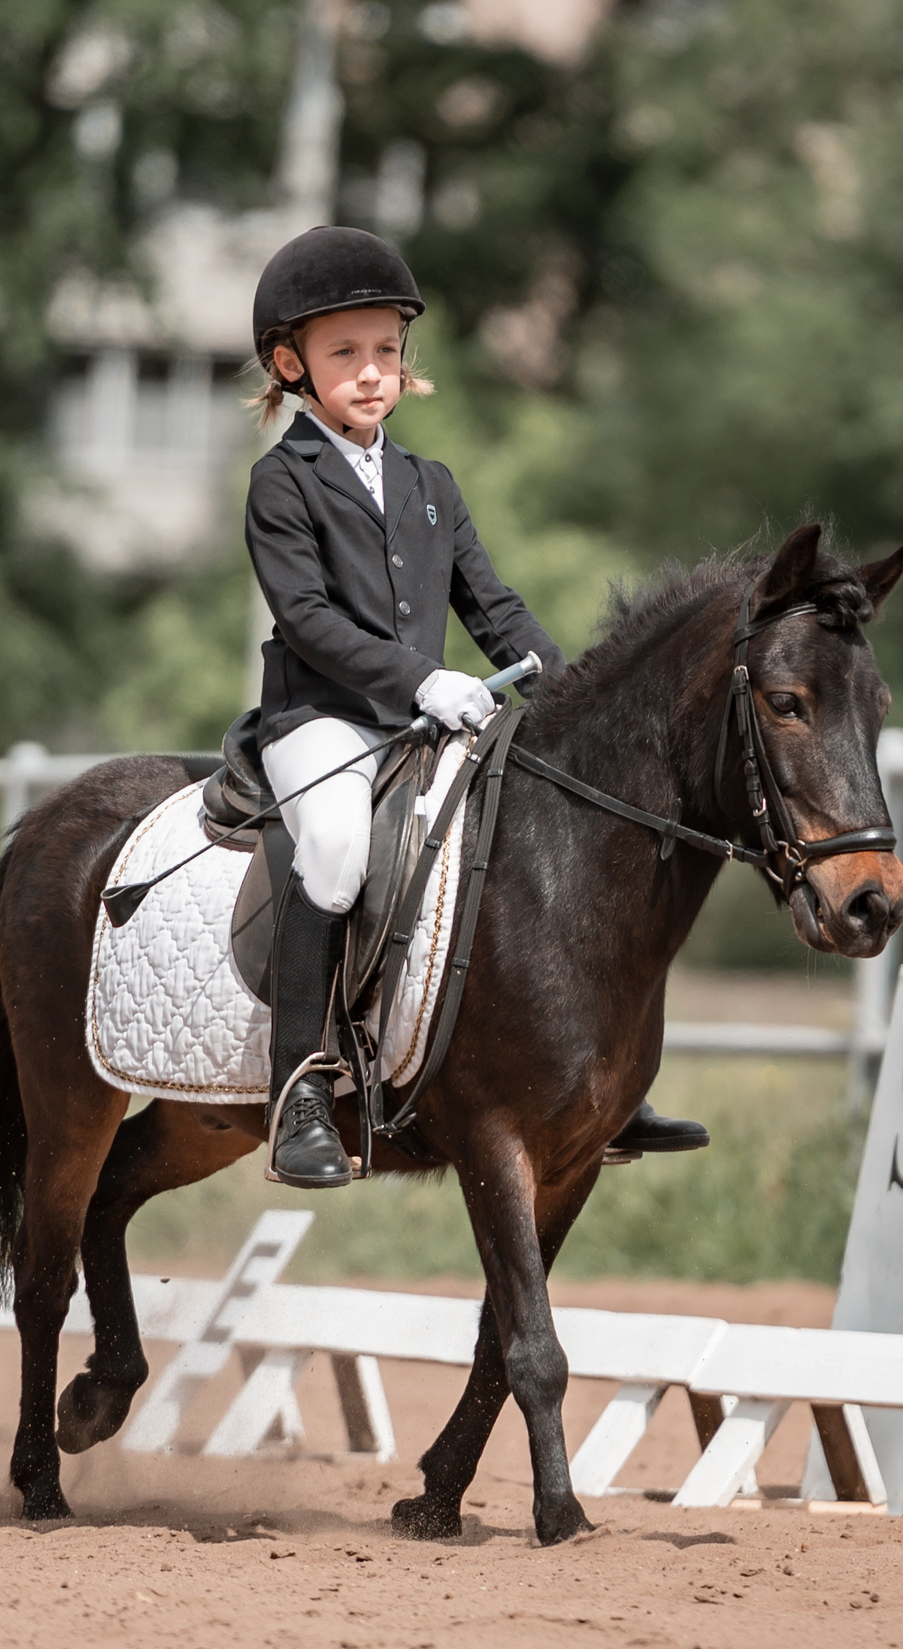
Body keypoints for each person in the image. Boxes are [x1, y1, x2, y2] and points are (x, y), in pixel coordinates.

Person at [241, 226, 709, 1187]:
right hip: (322, 720)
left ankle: (602, 1078)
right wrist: (419, 680)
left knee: (538, 832)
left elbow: (493, 608)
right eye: (344, 353)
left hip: (425, 722)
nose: (372, 372)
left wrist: (576, 697)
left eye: (385, 349)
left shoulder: (429, 484)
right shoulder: (281, 481)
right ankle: (301, 1090)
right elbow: (307, 619)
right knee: (336, 845)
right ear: (291, 365)